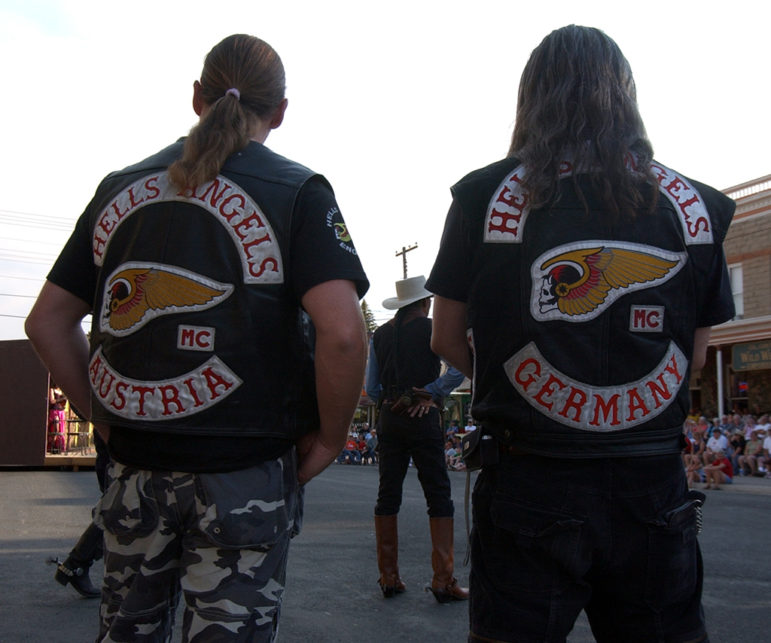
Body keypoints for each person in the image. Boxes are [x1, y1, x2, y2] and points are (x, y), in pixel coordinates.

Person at [25, 34, 368, 642]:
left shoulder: (118, 187)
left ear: (196, 97)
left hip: (135, 468)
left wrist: (104, 418)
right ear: (281, 111)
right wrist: (331, 439)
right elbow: (343, 334)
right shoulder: (298, 192)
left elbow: (47, 320)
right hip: (247, 473)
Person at [428, 25, 735, 642]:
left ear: (531, 97)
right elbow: (696, 356)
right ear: (625, 95)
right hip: (652, 481)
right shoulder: (696, 208)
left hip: (528, 473)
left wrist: (516, 373)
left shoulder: (484, 196)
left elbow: (444, 340)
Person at [365, 275, 467, 602]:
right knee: (438, 493)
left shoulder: (381, 335)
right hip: (422, 418)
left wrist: (396, 400)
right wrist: (430, 393)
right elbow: (457, 370)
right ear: (425, 303)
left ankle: (389, 576)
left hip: (390, 419)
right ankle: (443, 580)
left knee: (387, 494)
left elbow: (372, 388)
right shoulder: (431, 328)